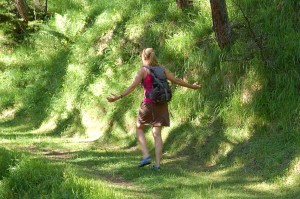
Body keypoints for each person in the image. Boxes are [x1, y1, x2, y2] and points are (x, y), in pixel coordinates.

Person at [107, 48, 200, 171]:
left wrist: (118, 96)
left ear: (144, 57)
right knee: (157, 134)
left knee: (139, 126)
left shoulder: (143, 70)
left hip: (148, 104)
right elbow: (176, 80)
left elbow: (133, 86)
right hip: (162, 104)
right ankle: (157, 165)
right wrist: (192, 86)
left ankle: (146, 156)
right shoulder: (163, 69)